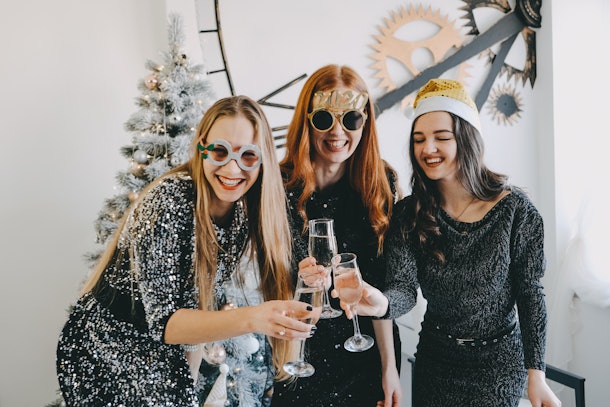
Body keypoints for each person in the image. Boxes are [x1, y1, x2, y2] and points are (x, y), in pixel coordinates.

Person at [56, 95, 318, 407]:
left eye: (248, 156)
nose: (232, 168)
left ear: (262, 161)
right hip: (103, 348)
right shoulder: (169, 200)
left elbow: (198, 306)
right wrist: (254, 318)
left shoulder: (240, 214)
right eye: (220, 151)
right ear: (202, 146)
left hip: (160, 352)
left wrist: (188, 390)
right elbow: (165, 322)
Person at [336, 79, 561, 407]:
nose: (428, 149)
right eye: (418, 139)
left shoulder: (516, 210)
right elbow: (403, 290)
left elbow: (530, 294)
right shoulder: (409, 214)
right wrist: (382, 303)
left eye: (442, 137)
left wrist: (536, 374)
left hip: (499, 366)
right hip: (436, 364)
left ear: (468, 139)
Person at [271, 64, 403, 407]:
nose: (338, 132)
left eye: (351, 120)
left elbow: (382, 285)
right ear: (307, 120)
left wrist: (389, 369)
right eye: (324, 119)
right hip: (297, 353)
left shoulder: (380, 183)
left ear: (365, 122)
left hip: (364, 350)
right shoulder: (278, 185)